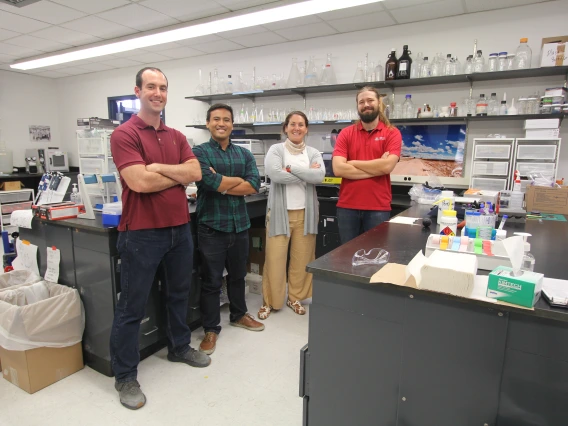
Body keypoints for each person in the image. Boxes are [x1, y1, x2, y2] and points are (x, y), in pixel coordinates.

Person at [109, 67, 210, 411]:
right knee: (131, 308)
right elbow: (139, 183)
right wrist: (173, 174)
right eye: (151, 86)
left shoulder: (177, 136)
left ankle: (179, 348)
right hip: (141, 233)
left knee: (179, 294)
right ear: (137, 91)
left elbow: (195, 173)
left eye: (163, 87)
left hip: (179, 229)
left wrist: (158, 168)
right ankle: (125, 375)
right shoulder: (124, 134)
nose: (157, 92)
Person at [192, 103, 265, 356]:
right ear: (208, 124)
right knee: (211, 281)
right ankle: (211, 328)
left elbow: (254, 185)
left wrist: (222, 183)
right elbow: (208, 181)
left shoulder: (243, 154)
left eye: (226, 119)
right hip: (212, 226)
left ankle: (238, 314)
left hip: (239, 225)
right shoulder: (199, 152)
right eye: (216, 119)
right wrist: (231, 182)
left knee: (237, 276)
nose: (221, 123)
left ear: (232, 124)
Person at [257, 111, 325, 320]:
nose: (297, 128)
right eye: (292, 124)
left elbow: (319, 176)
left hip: (306, 214)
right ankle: (271, 301)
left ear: (306, 129)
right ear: (285, 127)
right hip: (279, 214)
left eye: (301, 124)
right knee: (274, 259)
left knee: (302, 259)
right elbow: (274, 174)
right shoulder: (276, 150)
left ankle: (294, 297)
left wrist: (290, 168)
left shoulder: (313, 152)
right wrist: (305, 172)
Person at [332, 86, 402, 244]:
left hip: (378, 208)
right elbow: (338, 169)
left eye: (370, 100)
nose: (366, 104)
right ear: (357, 106)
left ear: (379, 103)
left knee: (375, 259)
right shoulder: (346, 133)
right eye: (361, 102)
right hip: (347, 207)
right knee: (346, 258)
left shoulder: (392, 133)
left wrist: (353, 163)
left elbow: (387, 167)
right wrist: (378, 167)